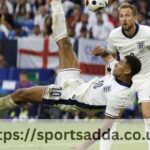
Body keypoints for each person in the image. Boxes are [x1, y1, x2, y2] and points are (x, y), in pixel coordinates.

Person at [0, 0, 141, 146]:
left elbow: (106, 127)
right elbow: (110, 59)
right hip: (77, 84)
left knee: (21, 93)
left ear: (128, 71)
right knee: (65, 44)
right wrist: (105, 53)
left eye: (120, 63)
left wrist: (83, 146)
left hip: (69, 98)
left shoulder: (120, 94)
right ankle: (55, 3)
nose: (116, 63)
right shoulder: (119, 72)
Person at [94, 2, 150, 150]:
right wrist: (108, 79)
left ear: (135, 17)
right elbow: (111, 58)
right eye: (121, 16)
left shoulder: (147, 33)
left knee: (147, 113)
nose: (124, 19)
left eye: (128, 15)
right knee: (114, 116)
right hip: (125, 80)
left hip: (146, 77)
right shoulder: (114, 35)